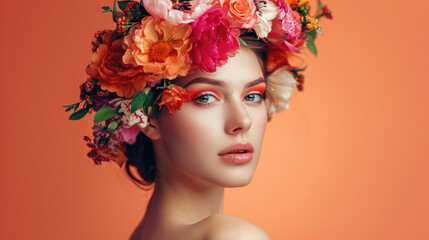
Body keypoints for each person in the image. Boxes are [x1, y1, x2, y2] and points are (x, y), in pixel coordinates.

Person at [64, 0, 332, 239]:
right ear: (147, 118)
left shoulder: (143, 234)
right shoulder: (233, 236)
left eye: (253, 96)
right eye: (205, 97)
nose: (242, 121)